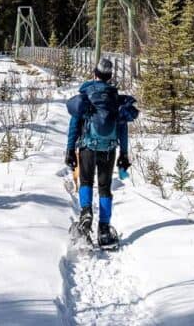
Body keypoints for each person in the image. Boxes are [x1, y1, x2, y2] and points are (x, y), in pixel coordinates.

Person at [65, 57, 138, 248]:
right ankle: (104, 231)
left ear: (94, 74)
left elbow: (75, 122)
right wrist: (124, 153)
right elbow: (122, 127)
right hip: (109, 149)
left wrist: (70, 149)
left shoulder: (86, 95)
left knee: (86, 181)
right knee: (105, 188)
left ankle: (86, 216)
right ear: (110, 76)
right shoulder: (115, 99)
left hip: (88, 147)